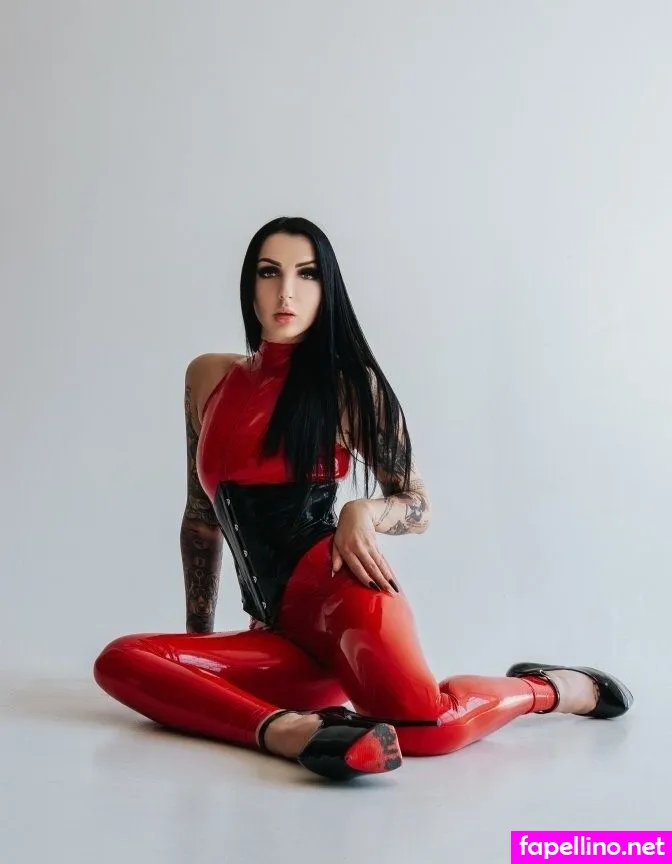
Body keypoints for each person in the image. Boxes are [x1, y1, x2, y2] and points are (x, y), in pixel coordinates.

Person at [93, 216, 633, 782]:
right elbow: (200, 521)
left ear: (327, 288)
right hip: (277, 635)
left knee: (426, 728)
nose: (286, 292)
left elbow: (417, 503)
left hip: (347, 604)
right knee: (121, 660)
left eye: (307, 275)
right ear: (249, 285)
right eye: (270, 273)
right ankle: (286, 731)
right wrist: (195, 653)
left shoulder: (350, 387)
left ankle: (552, 689)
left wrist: (364, 511)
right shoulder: (207, 377)